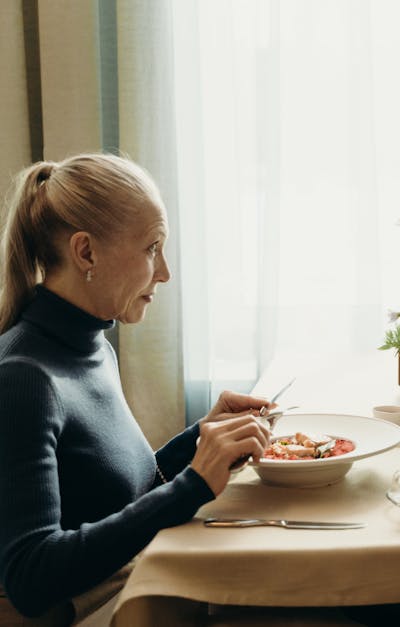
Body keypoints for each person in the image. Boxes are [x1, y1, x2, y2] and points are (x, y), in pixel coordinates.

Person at [0, 154, 273, 623]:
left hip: (132, 583)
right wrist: (193, 485)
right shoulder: (23, 377)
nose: (164, 272)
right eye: (152, 248)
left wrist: (201, 438)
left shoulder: (94, 347)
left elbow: (120, 495)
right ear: (85, 253)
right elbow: (30, 578)